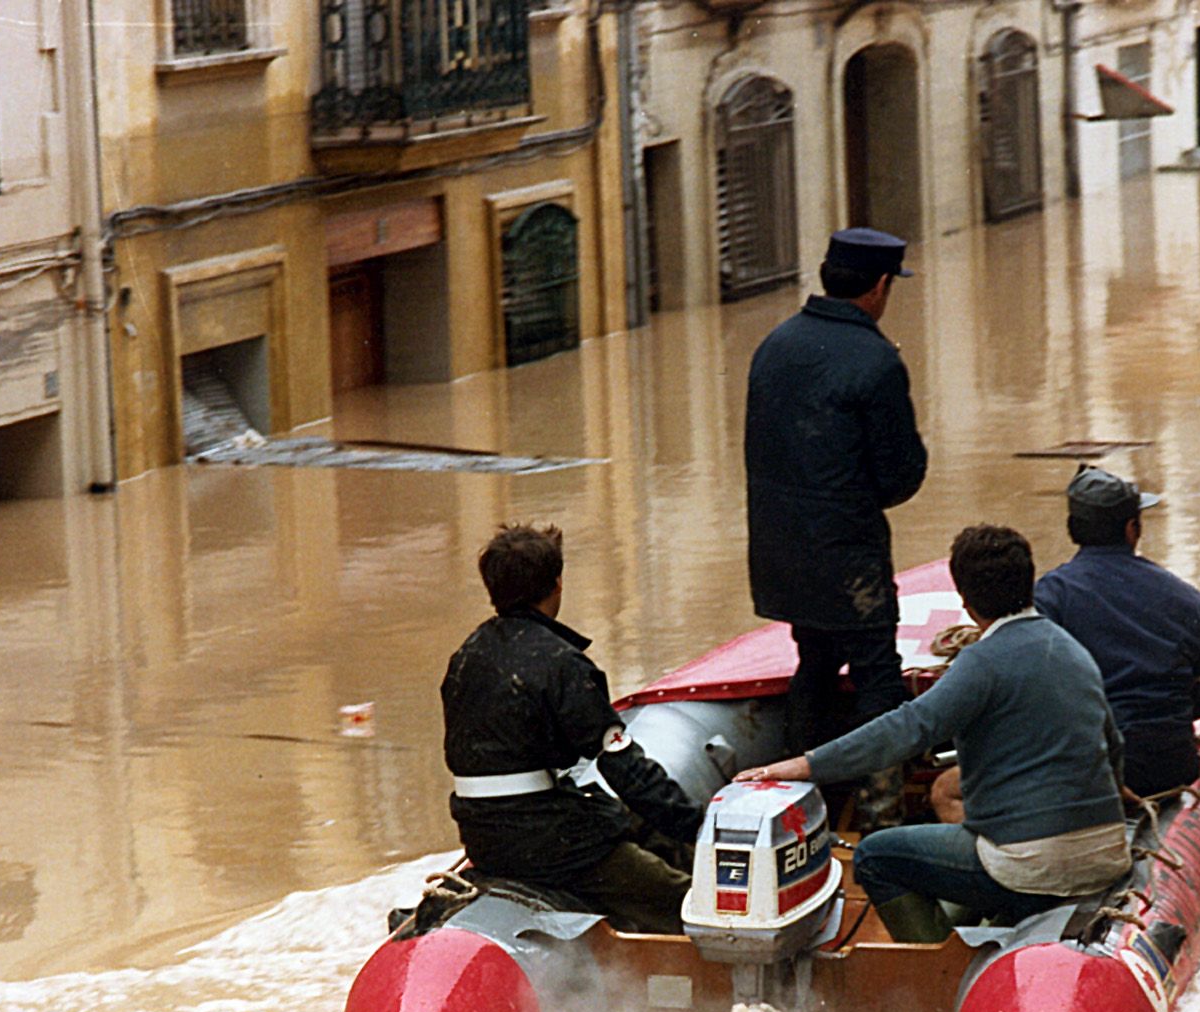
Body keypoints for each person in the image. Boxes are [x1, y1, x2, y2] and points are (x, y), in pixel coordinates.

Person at [735, 525, 1130, 943]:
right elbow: (1114, 747)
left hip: (1028, 863)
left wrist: (806, 765)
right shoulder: (1074, 650)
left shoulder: (980, 663)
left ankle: (939, 967)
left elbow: (906, 729)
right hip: (1105, 851)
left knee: (875, 856)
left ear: (964, 598)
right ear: (1029, 581)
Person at [744, 227, 928, 822]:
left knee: (815, 661)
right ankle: (881, 815)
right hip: (848, 554)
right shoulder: (876, 361)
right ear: (878, 287)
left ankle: (800, 801)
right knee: (877, 673)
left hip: (780, 549)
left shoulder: (773, 345)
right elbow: (901, 476)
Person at [441, 523, 703, 934]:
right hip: (549, 843)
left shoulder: (466, 657)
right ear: (557, 584)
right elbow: (626, 769)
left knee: (633, 823)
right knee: (678, 896)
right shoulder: (563, 665)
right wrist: (701, 828)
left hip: (483, 836)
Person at [1032, 466, 1200, 798]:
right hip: (1172, 767)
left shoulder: (1050, 598)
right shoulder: (1184, 598)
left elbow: (1037, 694)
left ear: (1072, 529)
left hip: (1096, 772)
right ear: (1132, 528)